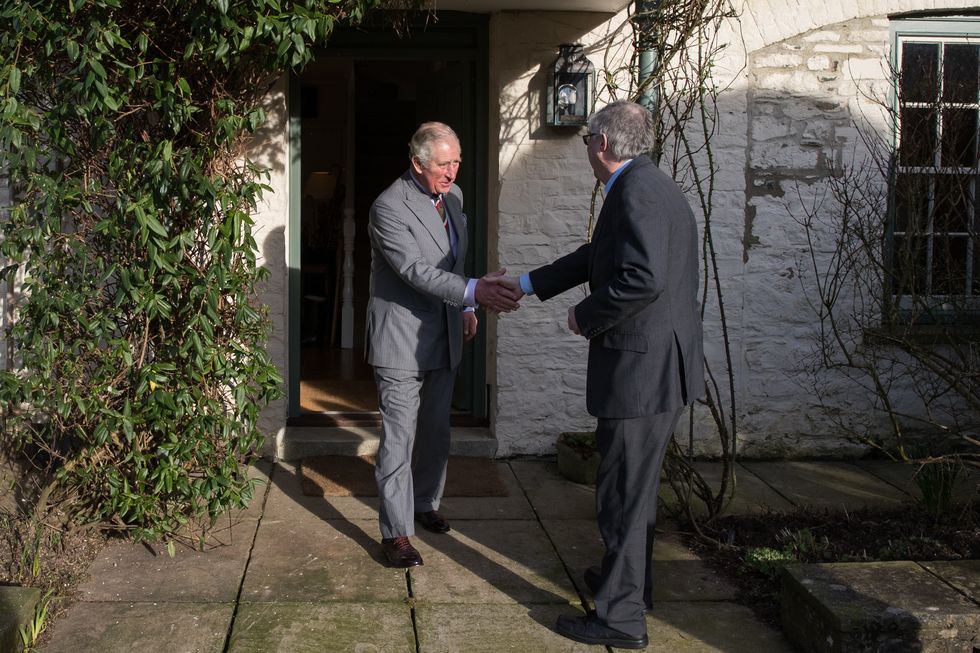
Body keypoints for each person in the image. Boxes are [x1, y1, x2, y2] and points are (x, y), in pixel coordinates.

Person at [512, 101, 705, 649]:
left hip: (641, 369)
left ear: (601, 142)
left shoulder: (637, 191)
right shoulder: (650, 184)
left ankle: (619, 619)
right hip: (658, 365)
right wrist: (527, 283)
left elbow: (642, 279)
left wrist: (585, 315)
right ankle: (629, 586)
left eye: (583, 142)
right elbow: (599, 256)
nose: (584, 151)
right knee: (635, 490)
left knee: (621, 492)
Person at [366, 121, 521, 569]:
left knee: (436, 431)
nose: (453, 172)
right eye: (443, 164)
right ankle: (395, 534)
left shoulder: (453, 198)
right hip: (401, 338)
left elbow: (455, 260)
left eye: (456, 162)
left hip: (446, 330)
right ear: (416, 163)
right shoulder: (388, 207)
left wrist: (466, 308)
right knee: (399, 438)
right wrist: (474, 292)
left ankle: (425, 503)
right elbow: (414, 270)